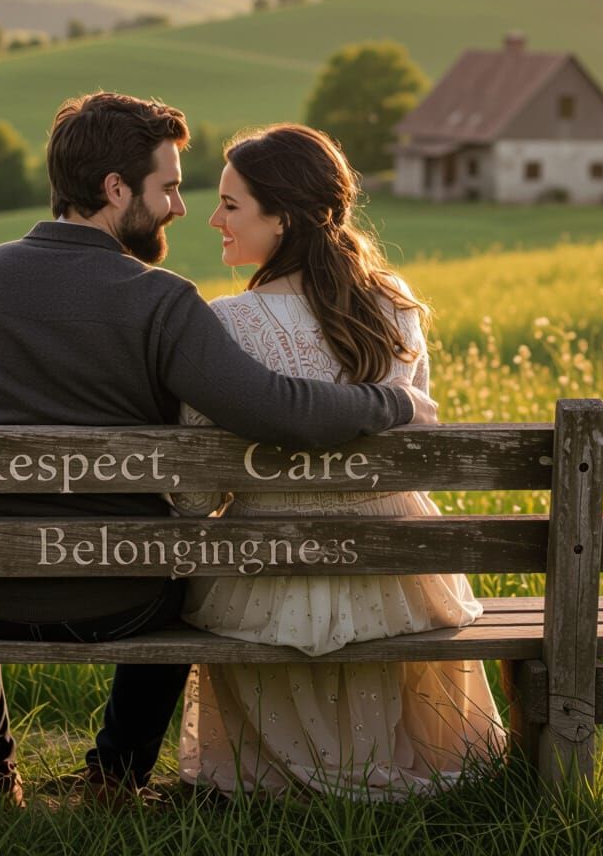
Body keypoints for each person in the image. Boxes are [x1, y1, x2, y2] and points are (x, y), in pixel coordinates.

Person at [0, 94, 438, 805]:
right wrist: (394, 401)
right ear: (115, 189)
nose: (181, 208)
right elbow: (278, 411)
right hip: (118, 594)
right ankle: (117, 773)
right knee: (183, 584)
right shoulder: (162, 301)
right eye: (168, 187)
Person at [172, 124, 506, 801]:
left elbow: (194, 492)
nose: (214, 219)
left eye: (231, 205)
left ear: (285, 218)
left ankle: (282, 776)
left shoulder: (227, 323)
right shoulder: (393, 306)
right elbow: (416, 445)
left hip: (268, 575)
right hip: (397, 571)